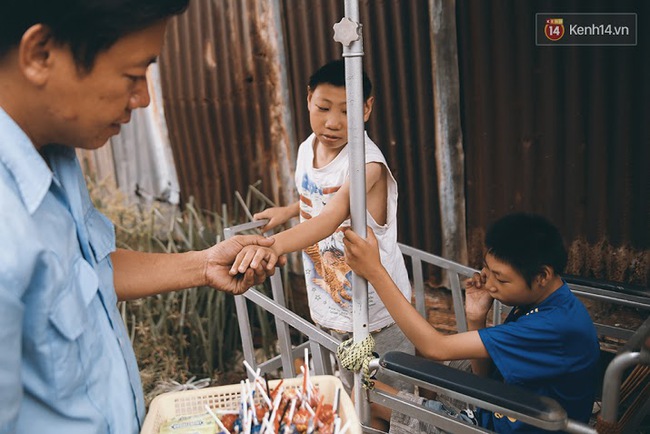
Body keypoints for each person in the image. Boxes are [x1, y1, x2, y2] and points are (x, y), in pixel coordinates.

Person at [0, 1, 283, 432]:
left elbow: (87, 272)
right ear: (40, 54)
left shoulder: (56, 153)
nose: (144, 98)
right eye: (133, 75)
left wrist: (205, 264)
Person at [229, 59, 415, 392]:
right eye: (323, 107)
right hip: (329, 303)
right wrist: (288, 211)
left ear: (367, 108)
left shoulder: (366, 165)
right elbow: (317, 199)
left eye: (347, 111)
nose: (332, 122)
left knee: (393, 403)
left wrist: (271, 245)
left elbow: (331, 219)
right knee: (347, 395)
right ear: (308, 99)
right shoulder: (307, 148)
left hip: (377, 313)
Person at [343, 213, 600, 433]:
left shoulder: (553, 327)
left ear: (543, 275)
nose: (488, 284)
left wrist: (375, 272)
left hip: (500, 424)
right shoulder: (551, 303)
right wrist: (476, 318)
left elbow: (436, 347)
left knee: (366, 396)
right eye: (487, 271)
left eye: (501, 278)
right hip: (498, 410)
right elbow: (486, 377)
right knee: (425, 366)